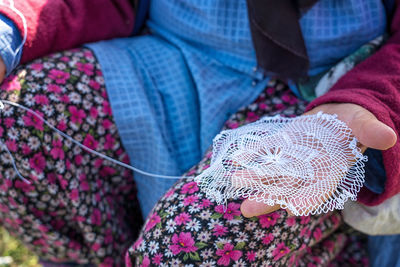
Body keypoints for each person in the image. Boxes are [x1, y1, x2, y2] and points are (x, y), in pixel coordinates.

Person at [0, 0, 399, 266]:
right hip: (173, 55)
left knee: (200, 238)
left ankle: (336, 248)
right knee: (16, 123)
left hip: (332, 93)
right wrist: (8, 29)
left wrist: (372, 99)